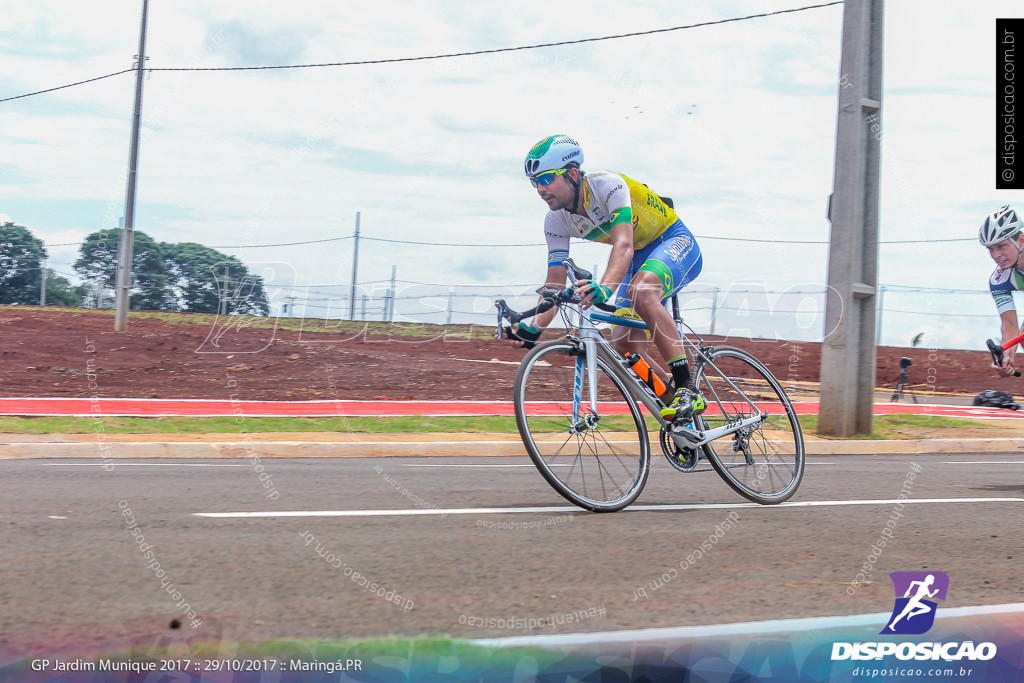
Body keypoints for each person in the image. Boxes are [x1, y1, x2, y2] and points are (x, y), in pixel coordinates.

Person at [505, 134, 705, 422]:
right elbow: (554, 283)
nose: (540, 188)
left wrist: (605, 288)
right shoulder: (555, 221)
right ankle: (677, 408)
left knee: (642, 291)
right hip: (637, 259)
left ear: (572, 174)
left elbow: (623, 244)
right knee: (623, 344)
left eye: (546, 178)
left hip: (672, 240)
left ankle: (689, 389)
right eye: (534, 182)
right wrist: (533, 327)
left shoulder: (607, 186)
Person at [981, 204, 1024, 377]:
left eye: (1001, 246)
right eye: (990, 248)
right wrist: (1007, 356)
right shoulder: (999, 279)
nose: (995, 254)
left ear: (1021, 240)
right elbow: (1009, 323)